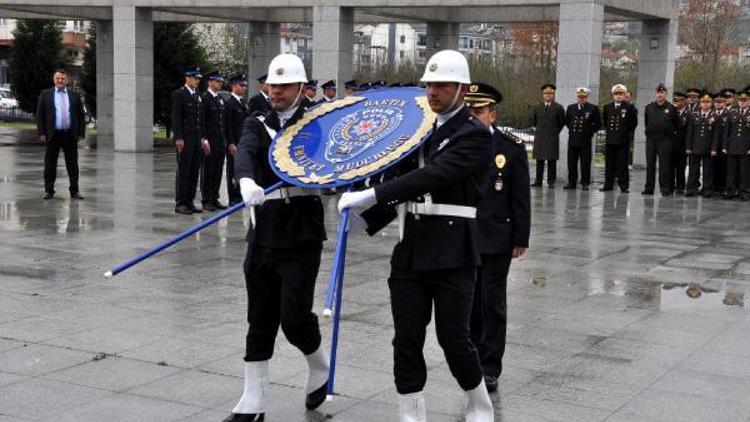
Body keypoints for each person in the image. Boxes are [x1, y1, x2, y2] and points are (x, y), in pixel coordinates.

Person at [338, 49, 495, 422]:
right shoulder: (419, 132)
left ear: (463, 88)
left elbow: (433, 176)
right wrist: (361, 216)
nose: (433, 92)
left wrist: (371, 195)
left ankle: (479, 406)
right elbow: (399, 183)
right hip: (411, 251)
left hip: (454, 251)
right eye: (429, 85)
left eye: (442, 85)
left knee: (454, 340)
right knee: (406, 338)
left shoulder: (476, 135)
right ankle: (411, 415)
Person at [224, 53, 329, 422]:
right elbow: (247, 151)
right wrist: (247, 180)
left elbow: (332, 163)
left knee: (294, 317)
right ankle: (253, 400)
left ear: (301, 88)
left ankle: (319, 366)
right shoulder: (258, 120)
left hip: (301, 233)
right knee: (260, 315)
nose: (276, 91)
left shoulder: (318, 122)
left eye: (284, 86)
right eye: (272, 84)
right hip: (264, 228)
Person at [464, 82, 531, 394]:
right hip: (463, 235)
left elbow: (520, 198)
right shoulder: (456, 142)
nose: (474, 117)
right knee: (470, 302)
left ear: (492, 114)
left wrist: (521, 237)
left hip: (497, 237)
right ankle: (471, 356)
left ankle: (490, 366)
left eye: (479, 112)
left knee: (493, 303)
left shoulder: (510, 148)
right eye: (470, 111)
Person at [36, 69, 86, 200]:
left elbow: (81, 115)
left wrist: (81, 133)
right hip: (53, 135)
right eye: (57, 78)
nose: (60, 81)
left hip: (70, 135)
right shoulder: (45, 94)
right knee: (50, 164)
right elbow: (40, 115)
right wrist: (41, 132)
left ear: (67, 80)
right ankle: (49, 190)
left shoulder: (74, 95)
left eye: (62, 78)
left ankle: (74, 191)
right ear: (54, 79)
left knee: (72, 164)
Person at [171, 66, 208, 214]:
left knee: (194, 171)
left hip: (197, 138)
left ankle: (190, 201)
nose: (197, 81)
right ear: (187, 78)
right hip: (185, 139)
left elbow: (201, 119)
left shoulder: (198, 95)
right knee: (184, 171)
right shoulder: (179, 94)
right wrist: (178, 137)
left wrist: (204, 138)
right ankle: (181, 202)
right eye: (195, 78)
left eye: (198, 78)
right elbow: (176, 117)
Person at [643, 83, 679, 196]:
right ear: (656, 93)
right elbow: (646, 122)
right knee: (650, 164)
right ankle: (649, 188)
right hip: (651, 139)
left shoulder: (672, 108)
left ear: (666, 94)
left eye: (662, 93)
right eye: (658, 92)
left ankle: (665, 188)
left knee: (664, 165)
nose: (660, 95)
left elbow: (676, 125)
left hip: (665, 140)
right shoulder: (649, 107)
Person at [600, 84, 638, 193]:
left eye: (621, 94)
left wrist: (626, 134)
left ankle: (624, 186)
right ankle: (608, 185)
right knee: (609, 164)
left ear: (624, 95)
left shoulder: (629, 107)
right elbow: (606, 122)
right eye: (616, 94)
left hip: (622, 140)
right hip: (610, 139)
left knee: (622, 164)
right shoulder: (608, 107)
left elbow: (633, 123)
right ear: (613, 95)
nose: (618, 96)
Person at [563, 87, 601, 190]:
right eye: (580, 97)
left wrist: (589, 131)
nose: (581, 99)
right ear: (577, 97)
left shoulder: (592, 108)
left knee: (585, 163)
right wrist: (572, 129)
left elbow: (598, 124)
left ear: (587, 97)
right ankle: (572, 182)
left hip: (585, 140)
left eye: (583, 97)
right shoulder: (571, 108)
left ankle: (585, 183)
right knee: (571, 163)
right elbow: (567, 121)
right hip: (573, 139)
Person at [200, 71, 228, 211]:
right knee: (208, 170)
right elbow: (202, 121)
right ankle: (206, 200)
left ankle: (214, 198)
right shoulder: (204, 98)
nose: (220, 83)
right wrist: (203, 138)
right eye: (217, 81)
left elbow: (222, 122)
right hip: (209, 141)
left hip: (220, 140)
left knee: (217, 171)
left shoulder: (220, 99)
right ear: (210, 82)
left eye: (221, 81)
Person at [685, 92, 719, 197]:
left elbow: (716, 135)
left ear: (711, 103)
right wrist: (688, 147)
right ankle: (691, 188)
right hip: (695, 146)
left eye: (707, 102)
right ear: (700, 103)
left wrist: (714, 148)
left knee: (708, 170)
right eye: (703, 102)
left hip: (708, 147)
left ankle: (707, 189)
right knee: (693, 169)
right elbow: (689, 132)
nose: (705, 104)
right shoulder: (693, 115)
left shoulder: (715, 116)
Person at [531, 84, 565, 188]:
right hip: (540, 137)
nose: (548, 95)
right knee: (539, 160)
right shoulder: (538, 107)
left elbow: (561, 122)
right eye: (546, 93)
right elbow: (534, 121)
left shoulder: (558, 108)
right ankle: (538, 181)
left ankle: (551, 181)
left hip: (552, 137)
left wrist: (554, 132)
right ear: (543, 95)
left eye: (550, 94)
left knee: (551, 161)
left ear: (553, 95)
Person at [224, 74, 250, 206]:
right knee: (232, 171)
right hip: (234, 143)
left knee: (241, 169)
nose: (244, 88)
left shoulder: (244, 102)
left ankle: (240, 195)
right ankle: (233, 197)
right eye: (241, 85)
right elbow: (227, 125)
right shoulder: (229, 103)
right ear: (234, 86)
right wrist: (231, 143)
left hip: (243, 142)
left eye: (245, 85)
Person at [722, 89, 750, 200]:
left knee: (744, 172)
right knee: (731, 172)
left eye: (745, 100)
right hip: (732, 147)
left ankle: (744, 192)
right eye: (740, 100)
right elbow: (726, 132)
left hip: (746, 148)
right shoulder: (732, 113)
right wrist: (724, 146)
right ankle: (730, 191)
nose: (742, 102)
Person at [671, 92, 690, 194]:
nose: (677, 103)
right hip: (671, 144)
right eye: (675, 101)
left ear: (684, 102)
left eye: (679, 101)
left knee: (680, 167)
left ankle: (680, 186)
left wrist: (688, 146)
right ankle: (670, 185)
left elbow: (689, 131)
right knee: (671, 166)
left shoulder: (688, 114)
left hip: (682, 145)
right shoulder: (672, 112)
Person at [712, 92, 729, 196]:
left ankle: (722, 187)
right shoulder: (712, 114)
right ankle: (713, 187)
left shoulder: (729, 114)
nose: (718, 104)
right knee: (712, 167)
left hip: (724, 145)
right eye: (716, 102)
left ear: (725, 103)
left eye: (720, 102)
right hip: (713, 146)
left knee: (723, 168)